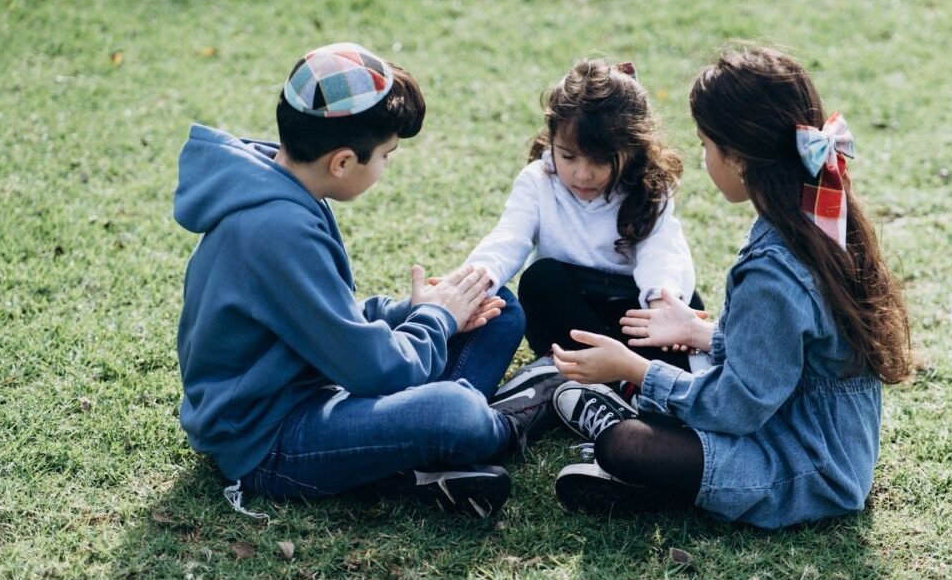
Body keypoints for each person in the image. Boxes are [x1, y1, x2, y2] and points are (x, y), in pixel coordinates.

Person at [174, 42, 555, 519]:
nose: (386, 168)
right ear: (342, 162)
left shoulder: (282, 186)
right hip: (268, 441)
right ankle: (510, 418)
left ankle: (418, 462)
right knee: (451, 413)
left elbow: (329, 318)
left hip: (316, 388)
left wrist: (409, 311)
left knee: (497, 305)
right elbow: (371, 370)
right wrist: (435, 318)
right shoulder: (277, 230)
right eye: (385, 156)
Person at [547, 44, 912, 528]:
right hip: (803, 434)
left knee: (626, 444)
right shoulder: (814, 214)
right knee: (649, 431)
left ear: (737, 158)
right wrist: (703, 335)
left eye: (704, 144)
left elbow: (736, 406)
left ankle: (636, 464)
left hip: (806, 468)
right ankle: (645, 459)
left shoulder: (773, 268)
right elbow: (786, 355)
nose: (703, 158)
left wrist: (634, 367)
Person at [464, 59, 702, 404]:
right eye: (569, 156)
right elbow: (508, 237)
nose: (582, 174)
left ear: (631, 149)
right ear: (552, 139)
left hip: (629, 307)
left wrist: (658, 301)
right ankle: (601, 378)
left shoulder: (649, 187)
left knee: (682, 304)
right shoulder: (537, 180)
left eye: (600, 160)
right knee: (539, 280)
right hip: (571, 308)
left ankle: (619, 378)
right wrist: (475, 280)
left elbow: (661, 249)